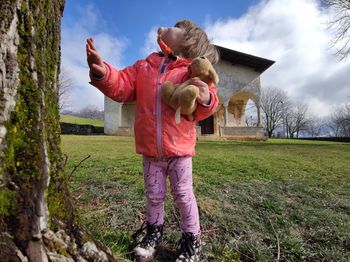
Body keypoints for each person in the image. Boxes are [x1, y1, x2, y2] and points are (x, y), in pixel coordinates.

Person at [86, 20, 219, 262]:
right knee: (154, 195)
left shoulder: (190, 71)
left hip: (180, 151)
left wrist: (205, 98)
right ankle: (153, 234)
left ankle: (192, 241)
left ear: (188, 40)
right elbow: (122, 86)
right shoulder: (144, 67)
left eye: (177, 28)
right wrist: (101, 71)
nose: (168, 27)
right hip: (151, 151)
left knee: (183, 194)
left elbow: (203, 108)